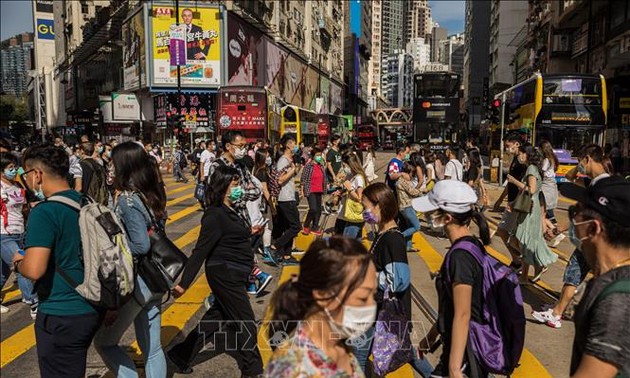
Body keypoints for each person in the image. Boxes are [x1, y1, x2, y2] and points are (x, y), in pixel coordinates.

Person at [167, 165, 264, 377]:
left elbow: (230, 237)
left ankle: (181, 353)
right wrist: (184, 284)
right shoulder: (214, 215)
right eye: (235, 184)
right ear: (223, 187)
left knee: (216, 318)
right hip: (224, 274)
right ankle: (253, 369)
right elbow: (200, 251)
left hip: (235, 272)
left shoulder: (230, 210)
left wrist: (249, 232)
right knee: (246, 321)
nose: (239, 188)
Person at [13, 145, 101, 377]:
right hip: (92, 305)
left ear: (37, 175)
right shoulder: (86, 201)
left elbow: (34, 269)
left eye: (25, 175)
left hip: (61, 312)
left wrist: (18, 262)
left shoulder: (45, 212)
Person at [93, 142, 167, 377]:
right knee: (152, 350)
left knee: (104, 343)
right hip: (155, 280)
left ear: (124, 165)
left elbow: (140, 245)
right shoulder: (149, 194)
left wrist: (115, 253)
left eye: (113, 162)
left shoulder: (128, 200)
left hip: (137, 284)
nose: (110, 166)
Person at [265, 237, 377, 378]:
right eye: (363, 297)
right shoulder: (294, 371)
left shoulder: (336, 342)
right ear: (322, 295)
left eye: (374, 294)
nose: (371, 305)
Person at [412, 180, 491, 378]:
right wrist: (430, 339)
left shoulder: (460, 257)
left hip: (465, 354)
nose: (428, 217)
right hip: (462, 349)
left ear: (446, 218)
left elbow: (463, 314)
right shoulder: (471, 245)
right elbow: (450, 307)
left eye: (432, 212)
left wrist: (454, 368)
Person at [532, 144, 612, 329]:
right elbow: (570, 177)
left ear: (588, 159)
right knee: (580, 274)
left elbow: (587, 213)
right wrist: (582, 165)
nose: (579, 166)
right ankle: (559, 309)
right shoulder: (596, 181)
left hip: (593, 239)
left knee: (575, 272)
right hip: (594, 239)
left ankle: (556, 314)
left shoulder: (600, 184)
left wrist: (560, 227)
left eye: (580, 161)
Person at [558, 176, 630, 377]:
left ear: (593, 228)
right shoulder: (610, 280)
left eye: (575, 213)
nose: (572, 222)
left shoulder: (618, 298)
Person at [359, 183, 432, 377]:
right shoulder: (382, 234)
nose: (363, 212)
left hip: (386, 312)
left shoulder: (393, 239)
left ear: (379, 206)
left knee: (360, 357)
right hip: (379, 310)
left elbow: (399, 280)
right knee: (405, 353)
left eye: (365, 206)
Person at [508, 144, 557, 283]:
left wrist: (514, 181)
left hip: (530, 208)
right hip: (531, 207)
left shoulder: (531, 168)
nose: (519, 156)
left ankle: (532, 270)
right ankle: (537, 266)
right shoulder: (535, 168)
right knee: (524, 241)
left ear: (526, 155)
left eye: (521, 153)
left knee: (523, 241)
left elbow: (531, 189)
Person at [0, 152, 38, 317]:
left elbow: (27, 207)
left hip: (20, 233)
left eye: (15, 167)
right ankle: (35, 303)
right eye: (10, 168)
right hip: (3, 235)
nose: (14, 170)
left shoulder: (19, 187)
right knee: (21, 265)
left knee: (3, 273)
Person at [493, 133, 528, 269]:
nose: (506, 149)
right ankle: (518, 261)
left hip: (517, 204)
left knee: (504, 232)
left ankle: (525, 260)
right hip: (512, 202)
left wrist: (513, 203)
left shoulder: (522, 163)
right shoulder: (515, 160)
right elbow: (510, 184)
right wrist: (500, 200)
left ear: (516, 144)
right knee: (509, 234)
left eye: (508, 146)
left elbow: (524, 186)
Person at [270, 134, 301, 265]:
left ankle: (287, 256)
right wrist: (293, 170)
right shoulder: (283, 160)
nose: (295, 146)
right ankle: (275, 246)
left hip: (289, 196)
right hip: (285, 198)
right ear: (288, 145)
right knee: (296, 226)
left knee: (289, 226)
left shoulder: (289, 159)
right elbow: (280, 180)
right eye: (293, 143)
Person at [252, 148, 277, 265]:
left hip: (258, 203)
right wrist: (272, 206)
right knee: (268, 226)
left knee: (262, 226)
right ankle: (266, 251)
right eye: (267, 156)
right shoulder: (262, 172)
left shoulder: (256, 170)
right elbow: (265, 190)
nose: (269, 158)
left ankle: (259, 247)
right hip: (263, 204)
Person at [339, 153, 367, 240]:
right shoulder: (354, 177)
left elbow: (359, 197)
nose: (344, 169)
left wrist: (349, 188)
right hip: (353, 215)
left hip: (356, 215)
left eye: (344, 166)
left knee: (347, 242)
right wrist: (342, 192)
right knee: (356, 243)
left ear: (350, 164)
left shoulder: (358, 178)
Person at [397, 161, 424, 252]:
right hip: (407, 206)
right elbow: (412, 192)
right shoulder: (404, 180)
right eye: (412, 173)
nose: (412, 176)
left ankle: (408, 246)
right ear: (407, 172)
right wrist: (423, 191)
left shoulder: (401, 179)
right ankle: (398, 237)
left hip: (405, 206)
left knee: (410, 226)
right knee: (417, 227)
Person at [300, 147, 327, 236]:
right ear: (313, 156)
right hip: (310, 189)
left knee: (318, 210)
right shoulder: (308, 166)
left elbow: (324, 177)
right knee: (313, 209)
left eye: (320, 155)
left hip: (319, 190)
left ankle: (315, 227)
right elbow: (303, 178)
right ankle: (306, 225)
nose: (319, 157)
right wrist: (302, 190)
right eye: (317, 155)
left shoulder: (321, 165)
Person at [539, 140, 560, 228]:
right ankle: (552, 228)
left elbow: (542, 172)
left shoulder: (547, 160)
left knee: (544, 209)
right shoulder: (553, 158)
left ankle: (554, 229)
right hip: (551, 184)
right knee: (547, 210)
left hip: (546, 184)